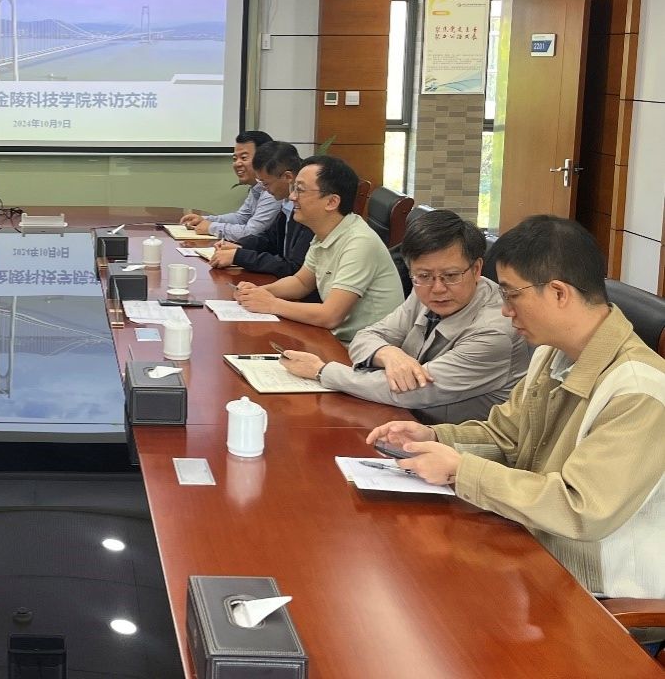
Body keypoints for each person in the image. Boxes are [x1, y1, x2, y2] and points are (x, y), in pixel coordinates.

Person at [368, 216, 665, 600]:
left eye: (511, 295)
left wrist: (460, 469)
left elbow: (581, 509)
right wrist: (434, 437)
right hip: (531, 550)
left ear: (558, 293)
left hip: (597, 594)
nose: (505, 310)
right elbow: (507, 435)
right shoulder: (551, 353)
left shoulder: (639, 391)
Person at [278, 209, 529, 422]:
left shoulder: (496, 330)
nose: (437, 288)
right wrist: (388, 353)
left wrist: (322, 372)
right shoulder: (425, 292)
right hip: (404, 419)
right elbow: (366, 336)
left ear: (476, 269)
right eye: (423, 275)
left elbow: (412, 390)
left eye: (451, 276)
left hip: (454, 444)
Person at [234, 155, 402, 343]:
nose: (292, 197)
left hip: (367, 349)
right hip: (338, 340)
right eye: (293, 188)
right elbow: (301, 283)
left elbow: (330, 316)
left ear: (331, 202)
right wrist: (259, 292)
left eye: (300, 190)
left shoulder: (360, 242)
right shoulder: (325, 233)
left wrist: (271, 304)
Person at [207, 141, 312, 277]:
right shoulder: (286, 203)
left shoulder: (307, 212)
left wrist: (239, 256)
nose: (263, 189)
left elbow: (293, 267)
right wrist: (240, 246)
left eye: (266, 183)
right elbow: (270, 239)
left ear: (287, 177)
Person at [180, 130, 279, 242]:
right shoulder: (257, 187)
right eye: (235, 159)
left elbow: (251, 232)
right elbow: (241, 218)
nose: (237, 164)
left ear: (263, 159)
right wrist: (204, 220)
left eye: (244, 158)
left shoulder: (272, 192)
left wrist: (211, 227)